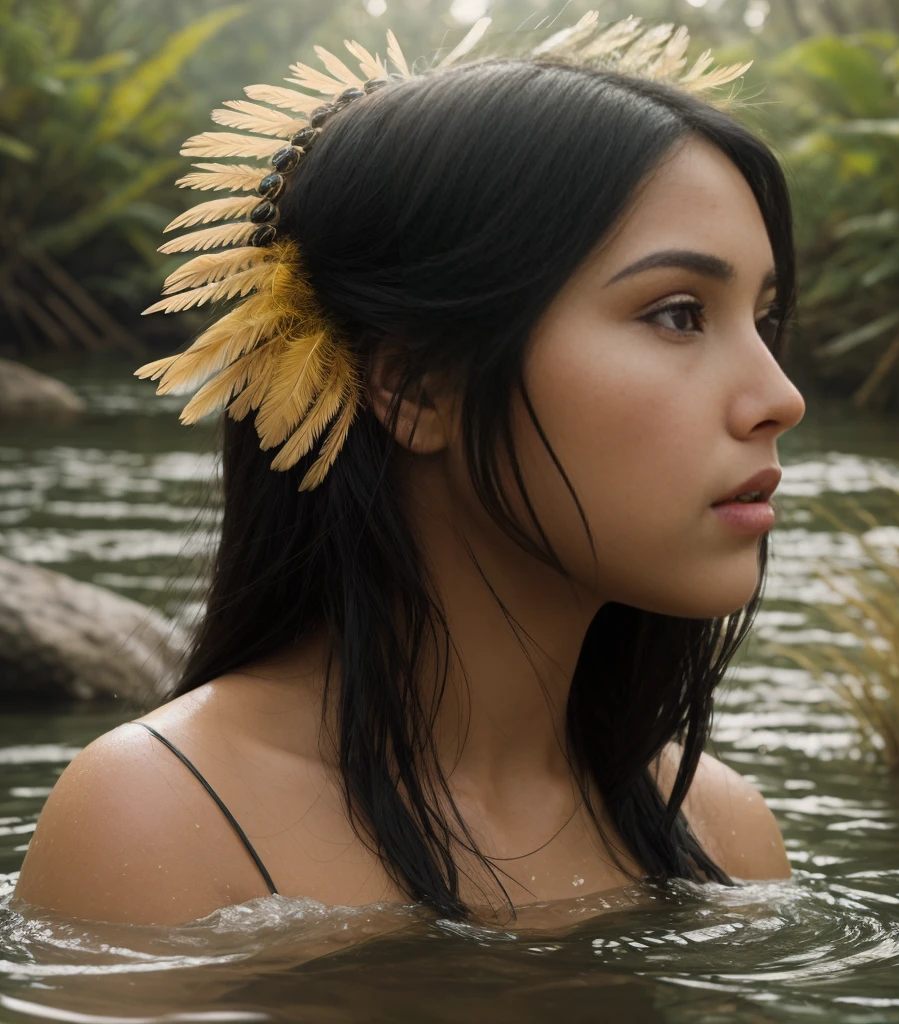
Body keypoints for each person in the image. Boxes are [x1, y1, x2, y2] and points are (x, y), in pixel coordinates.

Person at [14, 12, 804, 927]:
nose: (778, 394)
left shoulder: (723, 834)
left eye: (766, 319)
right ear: (416, 386)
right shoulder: (164, 822)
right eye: (677, 314)